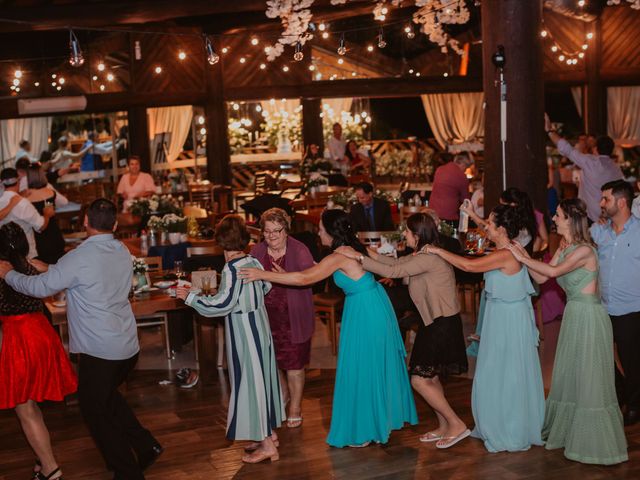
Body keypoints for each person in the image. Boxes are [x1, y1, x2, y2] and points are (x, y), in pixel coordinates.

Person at [0, 199, 163, 480]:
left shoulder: (78, 257)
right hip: (126, 347)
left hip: (100, 352)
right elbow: (86, 276)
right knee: (108, 398)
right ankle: (146, 444)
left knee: (96, 413)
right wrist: (50, 268)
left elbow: (39, 289)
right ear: (113, 224)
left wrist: (9, 274)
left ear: (85, 222)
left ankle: (128, 473)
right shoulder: (121, 250)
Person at [240, 209, 418, 448]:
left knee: (363, 366)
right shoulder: (348, 250)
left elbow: (305, 279)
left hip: (365, 310)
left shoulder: (339, 256)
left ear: (331, 232)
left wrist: (260, 273)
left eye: (321, 229)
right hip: (372, 304)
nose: (318, 232)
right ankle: (377, 423)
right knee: (370, 365)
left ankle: (368, 429)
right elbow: (315, 270)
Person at [508, 198, 627, 465]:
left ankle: (595, 444)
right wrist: (523, 256)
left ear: (571, 219)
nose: (553, 219)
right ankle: (569, 432)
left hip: (589, 317)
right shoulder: (565, 246)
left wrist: (521, 256)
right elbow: (541, 278)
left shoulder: (584, 250)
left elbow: (552, 270)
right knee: (572, 376)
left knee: (589, 379)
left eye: (558, 215)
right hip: (573, 314)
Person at [335, 212, 469, 449]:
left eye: (406, 231)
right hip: (433, 322)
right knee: (431, 376)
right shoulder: (422, 253)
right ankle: (444, 426)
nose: (404, 234)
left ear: (416, 235)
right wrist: (365, 253)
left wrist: (357, 257)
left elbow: (394, 272)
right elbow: (396, 263)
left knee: (418, 380)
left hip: (442, 325)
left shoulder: (429, 257)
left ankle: (456, 424)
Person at [426, 205, 545, 453]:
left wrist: (437, 250)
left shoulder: (506, 254)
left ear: (501, 228)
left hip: (508, 319)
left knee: (505, 371)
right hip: (501, 314)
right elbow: (478, 241)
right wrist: (471, 216)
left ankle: (509, 427)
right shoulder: (506, 246)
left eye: (489, 224)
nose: (485, 227)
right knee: (499, 369)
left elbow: (468, 266)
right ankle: (502, 420)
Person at [177, 215, 284, 463]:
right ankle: (268, 433)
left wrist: (190, 297)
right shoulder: (252, 259)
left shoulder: (232, 267)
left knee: (250, 383)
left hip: (244, 330)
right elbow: (265, 287)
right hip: (260, 325)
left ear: (221, 241)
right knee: (262, 380)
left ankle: (268, 445)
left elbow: (223, 304)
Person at [0, 223, 77, 480]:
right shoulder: (32, 266)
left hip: (19, 340)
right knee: (31, 405)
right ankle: (42, 460)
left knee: (25, 409)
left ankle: (51, 469)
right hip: (42, 334)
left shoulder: (2, 270)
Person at [250, 208, 315, 429]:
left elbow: (310, 280)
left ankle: (296, 407)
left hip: (294, 317)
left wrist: (282, 277)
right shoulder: (257, 251)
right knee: (274, 361)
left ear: (286, 230)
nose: (272, 236)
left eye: (277, 231)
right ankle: (284, 394)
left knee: (294, 365)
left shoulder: (299, 251)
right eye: (267, 232)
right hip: (266, 318)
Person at [591, 179, 640, 426]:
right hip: (602, 307)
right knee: (601, 357)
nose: (601, 203)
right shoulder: (599, 231)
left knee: (632, 360)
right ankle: (621, 395)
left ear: (622, 202)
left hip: (631, 309)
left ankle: (633, 405)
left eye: (606, 199)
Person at [545, 114, 623, 223]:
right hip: (610, 218)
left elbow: (567, 149)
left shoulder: (590, 162)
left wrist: (549, 131)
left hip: (590, 217)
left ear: (595, 149)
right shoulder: (616, 169)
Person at [0, 168, 54, 259]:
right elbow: (41, 226)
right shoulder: (23, 203)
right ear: (18, 180)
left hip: (4, 255)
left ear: (2, 182)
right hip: (26, 255)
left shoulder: (4, 201)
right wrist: (47, 214)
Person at [429, 152, 473, 222]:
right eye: (466, 168)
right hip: (448, 216)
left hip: (432, 213)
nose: (465, 170)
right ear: (464, 164)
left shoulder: (440, 169)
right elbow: (466, 200)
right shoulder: (462, 176)